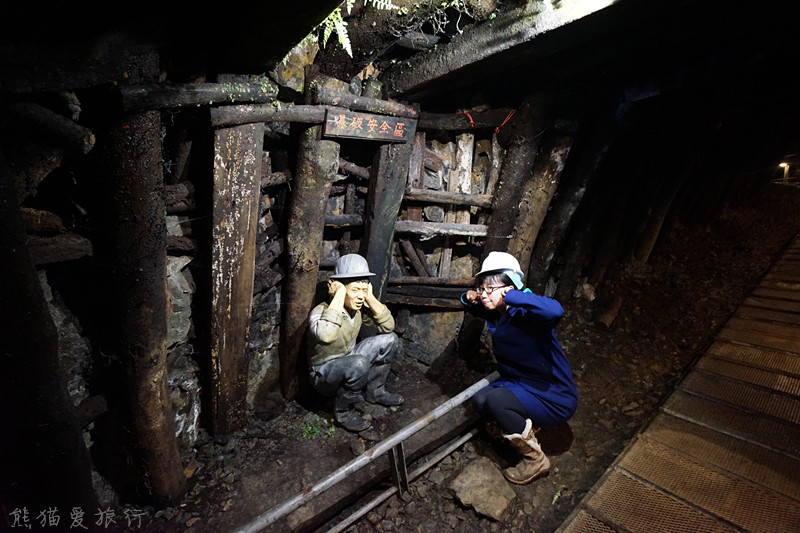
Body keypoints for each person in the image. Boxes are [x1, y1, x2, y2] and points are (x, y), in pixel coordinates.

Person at [461, 251, 578, 484]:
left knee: (496, 402)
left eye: (489, 289)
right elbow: (466, 303)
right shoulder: (497, 312)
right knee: (480, 401)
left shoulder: (527, 314)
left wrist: (516, 295)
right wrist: (469, 296)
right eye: (483, 288)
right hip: (522, 383)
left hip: (553, 394)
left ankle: (535, 460)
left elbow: (555, 311)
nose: (484, 294)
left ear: (509, 289)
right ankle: (525, 427)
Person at [307, 254, 403, 432]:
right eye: (355, 290)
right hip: (323, 375)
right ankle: (343, 412)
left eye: (363, 290)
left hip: (349, 361)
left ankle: (376, 391)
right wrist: (340, 295)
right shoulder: (321, 312)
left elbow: (389, 327)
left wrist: (370, 297)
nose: (360, 297)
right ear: (339, 289)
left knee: (390, 340)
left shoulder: (357, 311)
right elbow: (326, 335)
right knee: (359, 363)